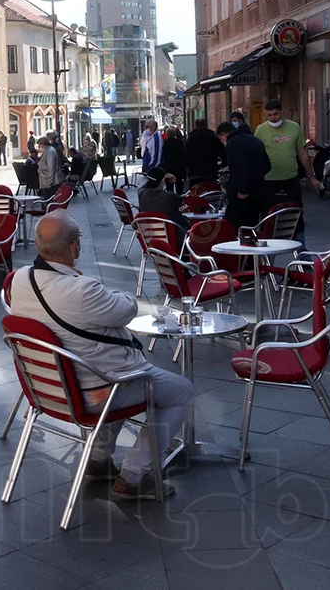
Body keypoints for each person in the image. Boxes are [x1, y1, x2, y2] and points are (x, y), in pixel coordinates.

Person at [10, 211, 193, 499]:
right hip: (95, 393)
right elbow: (127, 308)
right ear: (74, 247)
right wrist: (103, 290)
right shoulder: (83, 290)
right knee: (180, 391)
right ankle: (134, 477)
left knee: (111, 374)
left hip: (50, 391)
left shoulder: (20, 279)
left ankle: (98, 460)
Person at [254, 100, 319, 240]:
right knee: (268, 218)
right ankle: (268, 249)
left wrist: (311, 176)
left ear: (281, 112)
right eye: (269, 115)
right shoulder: (260, 130)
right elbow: (256, 155)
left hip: (290, 179)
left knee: (295, 216)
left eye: (276, 114)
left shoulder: (294, 127)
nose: (273, 118)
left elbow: (302, 153)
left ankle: (300, 249)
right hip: (268, 180)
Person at [221, 121, 271, 230]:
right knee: (251, 227)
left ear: (224, 135)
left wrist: (242, 191)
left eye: (221, 139)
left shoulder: (232, 144)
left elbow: (239, 167)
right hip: (258, 191)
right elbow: (267, 165)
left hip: (240, 194)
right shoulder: (255, 140)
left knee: (233, 227)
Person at [138, 166, 189, 238]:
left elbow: (143, 188)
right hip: (175, 236)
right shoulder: (169, 197)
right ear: (162, 180)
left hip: (151, 236)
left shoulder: (142, 195)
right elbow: (182, 202)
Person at [185, 118, 226, 186]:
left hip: (194, 173)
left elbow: (186, 155)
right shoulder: (213, 137)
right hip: (210, 172)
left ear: (196, 125)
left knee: (195, 190)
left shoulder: (191, 138)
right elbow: (223, 153)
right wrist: (220, 166)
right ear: (206, 125)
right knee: (210, 189)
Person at [160, 126, 187, 194]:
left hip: (169, 167)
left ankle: (170, 196)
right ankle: (179, 196)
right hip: (178, 166)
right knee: (179, 183)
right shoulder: (179, 143)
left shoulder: (165, 143)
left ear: (167, 134)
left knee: (169, 185)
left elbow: (163, 155)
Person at [37, 131, 63, 199]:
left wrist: (48, 184)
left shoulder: (50, 151)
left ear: (43, 144)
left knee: (49, 200)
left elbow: (51, 168)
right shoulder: (47, 151)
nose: (39, 147)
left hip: (51, 183)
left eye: (39, 145)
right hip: (47, 182)